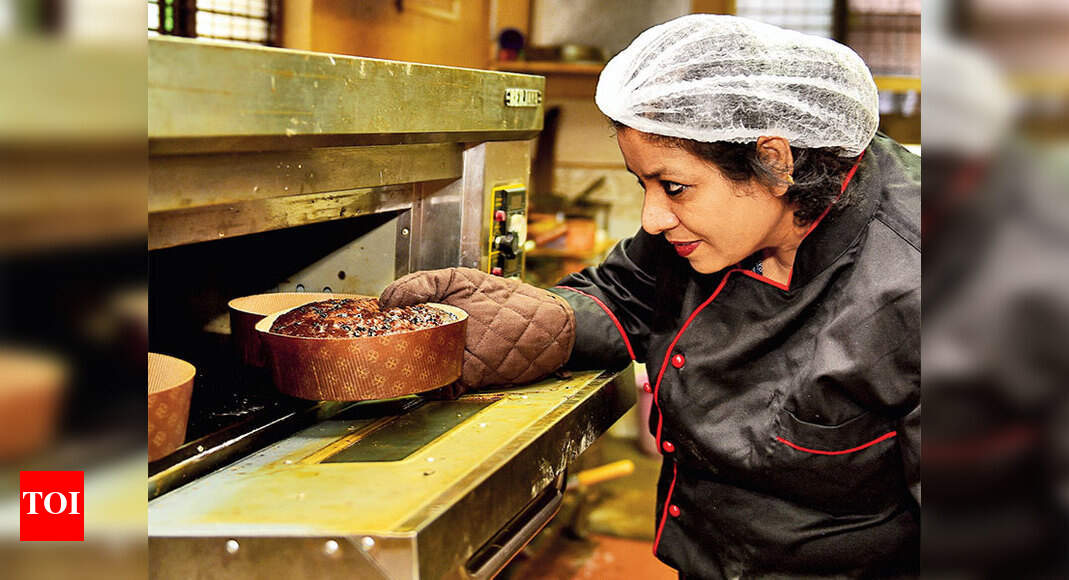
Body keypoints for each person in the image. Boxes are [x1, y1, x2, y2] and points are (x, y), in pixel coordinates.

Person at [381, 14, 920, 578]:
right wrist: (523, 323)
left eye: (675, 187)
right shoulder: (703, 230)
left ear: (774, 162)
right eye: (644, 184)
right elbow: (628, 293)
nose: (653, 218)